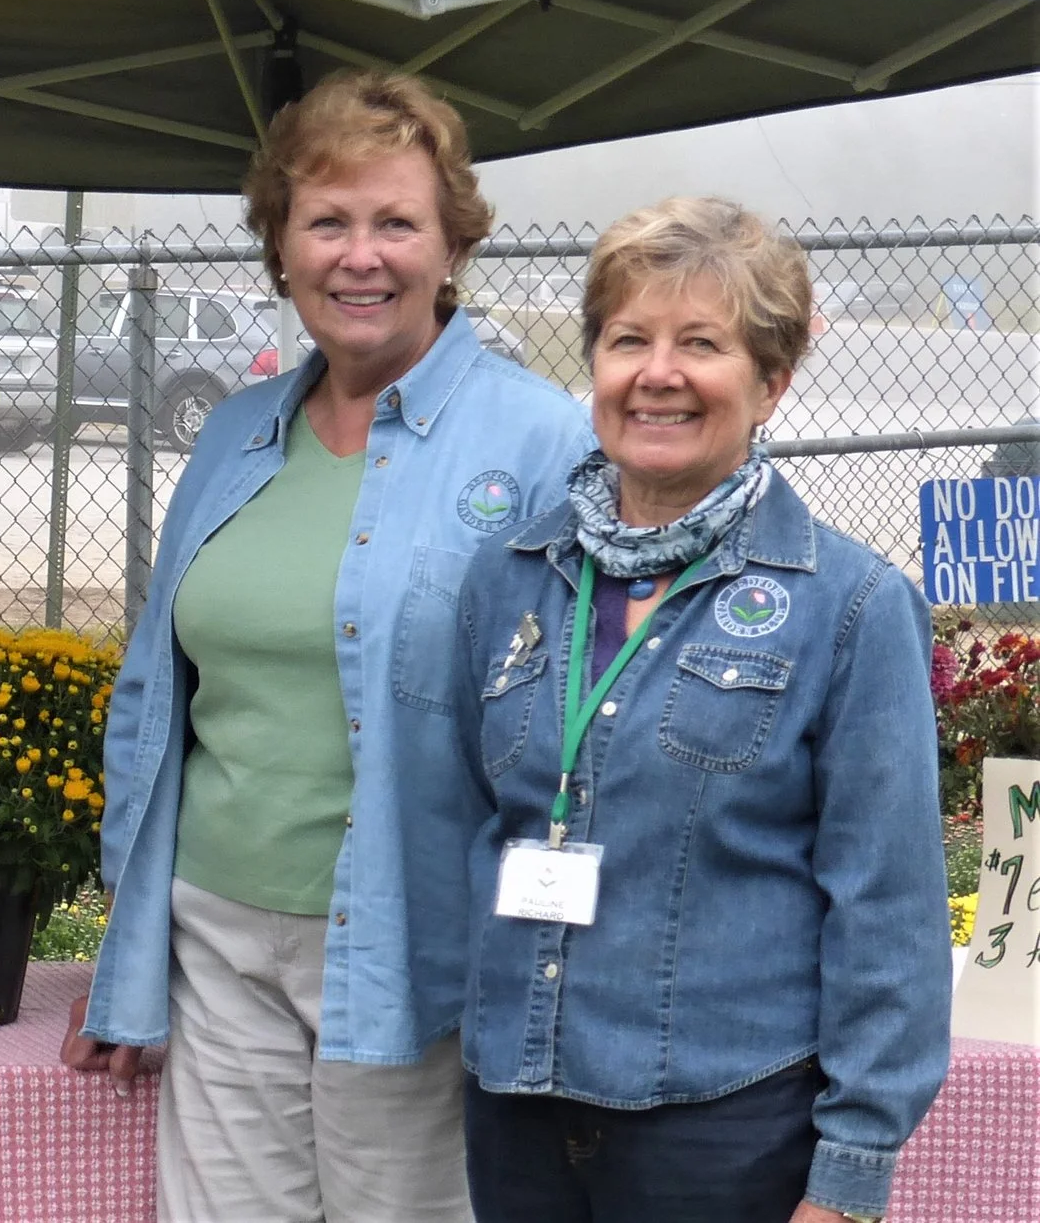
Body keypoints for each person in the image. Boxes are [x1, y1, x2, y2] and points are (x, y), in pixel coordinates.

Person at [63, 69, 594, 1222]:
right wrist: (132, 952)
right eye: (327, 221)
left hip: (417, 951)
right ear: (281, 248)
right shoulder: (232, 433)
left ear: (452, 246)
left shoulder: (545, 441)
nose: (362, 255)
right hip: (216, 941)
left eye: (397, 222)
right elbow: (160, 697)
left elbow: (588, 727)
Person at [449, 197, 949, 1223]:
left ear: (770, 380)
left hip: (725, 1128)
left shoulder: (847, 605)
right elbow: (473, 819)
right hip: (517, 1106)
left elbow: (887, 905)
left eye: (702, 343)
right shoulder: (510, 580)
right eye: (628, 338)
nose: (657, 372)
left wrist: (850, 1170)